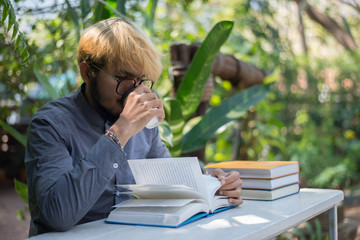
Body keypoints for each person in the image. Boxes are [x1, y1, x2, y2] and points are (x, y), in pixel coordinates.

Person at [25, 17, 243, 237]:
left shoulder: (144, 124)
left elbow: (171, 180)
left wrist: (213, 184)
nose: (134, 92)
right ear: (88, 72)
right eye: (123, 79)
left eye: (141, 80)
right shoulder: (50, 124)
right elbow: (57, 215)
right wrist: (120, 133)